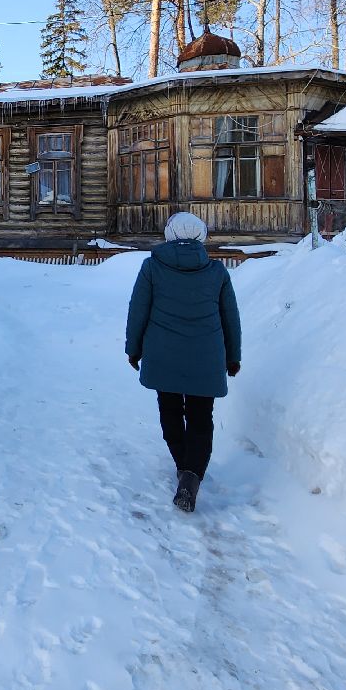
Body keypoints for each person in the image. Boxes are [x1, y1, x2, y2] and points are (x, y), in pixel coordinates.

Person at [124, 212, 241, 513]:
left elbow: (138, 311)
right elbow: (230, 318)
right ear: (201, 237)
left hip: (164, 356)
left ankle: (183, 468)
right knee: (202, 418)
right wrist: (233, 356)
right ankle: (191, 476)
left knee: (171, 413)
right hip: (207, 357)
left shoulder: (152, 267)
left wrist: (133, 349)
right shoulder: (216, 271)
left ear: (170, 235)